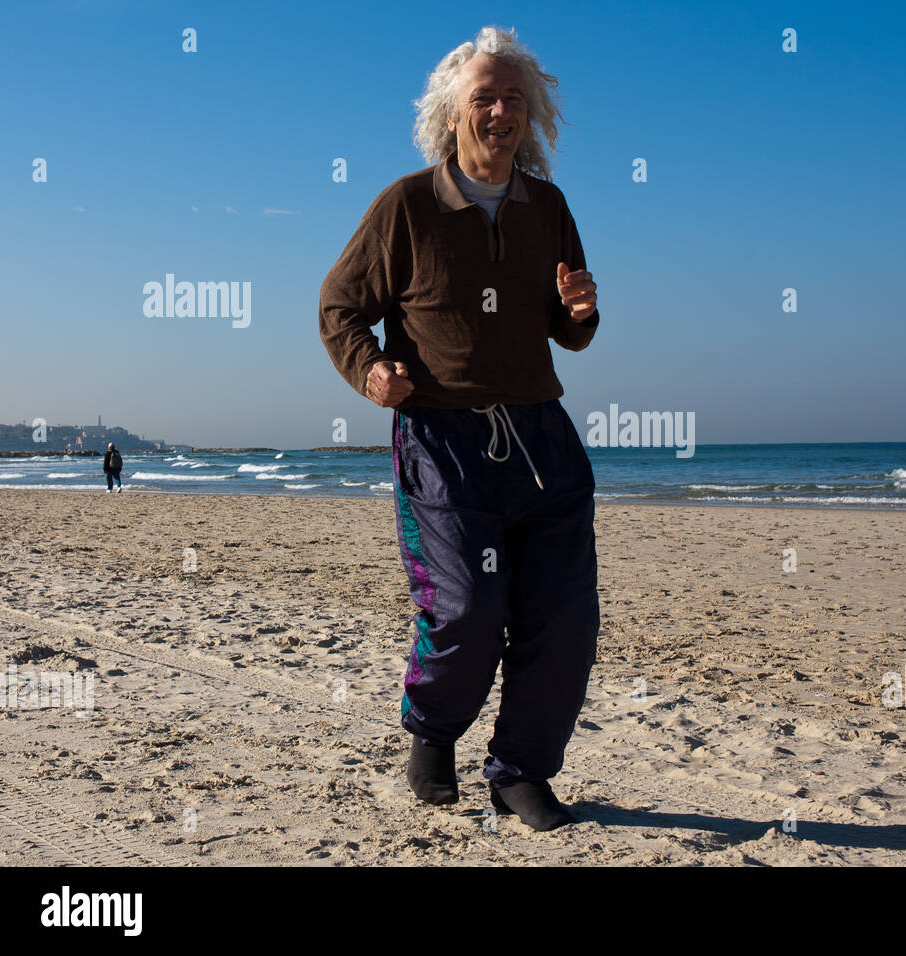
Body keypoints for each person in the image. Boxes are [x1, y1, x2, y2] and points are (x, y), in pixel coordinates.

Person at [319, 26, 601, 831]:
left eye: (515, 98)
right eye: (485, 97)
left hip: (542, 441)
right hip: (443, 442)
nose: (502, 110)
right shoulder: (406, 205)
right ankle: (434, 732)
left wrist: (581, 311)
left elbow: (568, 325)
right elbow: (338, 307)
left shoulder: (546, 206)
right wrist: (369, 368)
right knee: (467, 609)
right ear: (453, 113)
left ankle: (520, 774)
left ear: (532, 114)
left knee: (565, 618)